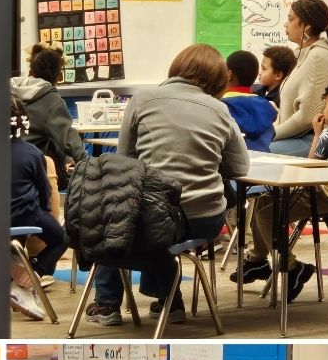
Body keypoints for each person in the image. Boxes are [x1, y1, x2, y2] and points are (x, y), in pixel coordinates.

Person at [85, 43, 250, 327]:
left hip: (155, 215)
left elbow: (124, 160)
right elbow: (241, 168)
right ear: (219, 78)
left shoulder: (143, 99)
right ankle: (168, 301)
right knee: (156, 221)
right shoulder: (221, 110)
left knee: (118, 217)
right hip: (205, 218)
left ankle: (107, 304)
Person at [233, 81, 328, 303]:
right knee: (264, 200)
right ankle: (257, 260)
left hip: (324, 194)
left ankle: (293, 267)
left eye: (325, 105)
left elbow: (311, 165)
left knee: (264, 213)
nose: (323, 111)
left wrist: (316, 133)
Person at [9, 95, 66, 321]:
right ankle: (31, 276)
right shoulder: (32, 153)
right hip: (26, 215)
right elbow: (45, 193)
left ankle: (18, 279)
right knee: (62, 238)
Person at [270, 0, 328, 156]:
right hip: (297, 137)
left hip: (313, 140)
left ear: (307, 26)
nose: (285, 24)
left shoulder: (318, 57)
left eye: (290, 19)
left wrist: (271, 134)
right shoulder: (303, 54)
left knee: (257, 151)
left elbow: (306, 117)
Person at [10, 43, 86, 178]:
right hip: (27, 168)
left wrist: (66, 159)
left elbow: (48, 133)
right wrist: (88, 164)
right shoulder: (51, 100)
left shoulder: (12, 89)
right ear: (60, 75)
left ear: (31, 70)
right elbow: (69, 138)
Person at [223, 50, 278, 152]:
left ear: (229, 74)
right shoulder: (266, 107)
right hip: (264, 162)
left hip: (234, 164)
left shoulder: (221, 106)